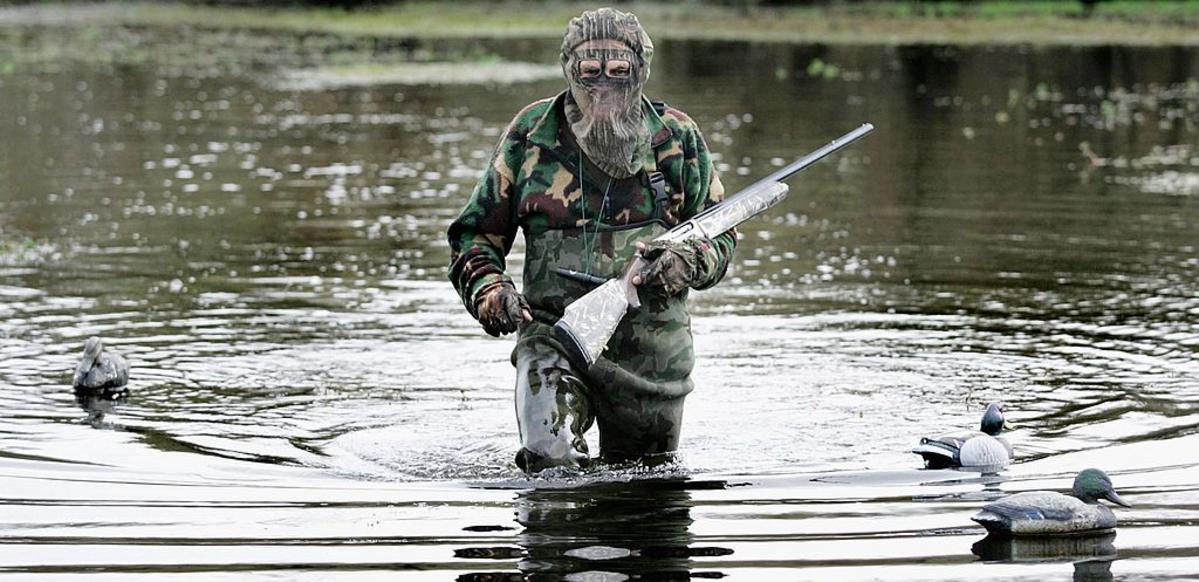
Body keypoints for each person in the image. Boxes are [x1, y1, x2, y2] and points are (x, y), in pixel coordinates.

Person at [447, 7, 736, 473]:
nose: (604, 85)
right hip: (554, 338)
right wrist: (490, 291)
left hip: (651, 354)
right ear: (569, 70)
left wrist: (683, 262)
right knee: (549, 458)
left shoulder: (676, 139)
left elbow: (720, 236)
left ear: (640, 71)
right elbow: (475, 236)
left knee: (648, 488)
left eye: (620, 72)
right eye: (590, 72)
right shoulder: (530, 136)